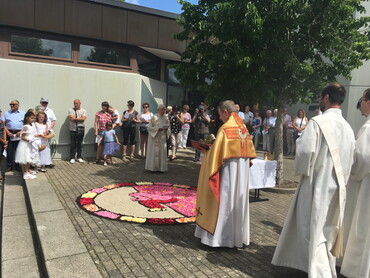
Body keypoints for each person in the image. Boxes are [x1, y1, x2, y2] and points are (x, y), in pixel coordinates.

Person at [272, 83, 355, 277]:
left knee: (312, 227)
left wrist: (302, 169)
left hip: (317, 183)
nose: (319, 100)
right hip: (338, 186)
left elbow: (306, 151)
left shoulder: (318, 122)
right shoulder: (348, 128)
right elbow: (351, 158)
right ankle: (323, 265)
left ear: (326, 98)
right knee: (328, 228)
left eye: (320, 96)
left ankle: (319, 271)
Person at [194, 100, 256, 248]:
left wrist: (205, 151)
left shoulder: (225, 128)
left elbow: (215, 156)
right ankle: (236, 236)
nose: (220, 117)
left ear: (226, 112)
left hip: (227, 173)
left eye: (220, 114)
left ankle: (221, 238)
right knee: (237, 201)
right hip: (240, 175)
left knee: (226, 200)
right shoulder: (244, 128)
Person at [340, 89, 370, 278]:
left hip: (366, 185)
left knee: (362, 227)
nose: (361, 105)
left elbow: (362, 158)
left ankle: (359, 269)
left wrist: (353, 173)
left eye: (362, 100)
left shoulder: (368, 128)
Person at [14, 112, 42, 180]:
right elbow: (23, 137)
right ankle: (26, 173)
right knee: (26, 159)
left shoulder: (31, 125)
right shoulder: (26, 126)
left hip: (30, 144)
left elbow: (31, 135)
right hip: (26, 144)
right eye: (31, 118)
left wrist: (36, 136)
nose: (33, 120)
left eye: (34, 118)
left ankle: (28, 171)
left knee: (29, 158)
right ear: (27, 118)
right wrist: (30, 140)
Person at [145, 104, 170, 172]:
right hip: (155, 137)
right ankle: (152, 168)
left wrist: (166, 128)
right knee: (154, 152)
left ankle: (161, 168)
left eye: (164, 109)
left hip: (162, 138)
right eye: (162, 109)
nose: (163, 111)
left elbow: (169, 126)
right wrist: (157, 129)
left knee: (162, 152)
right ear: (158, 110)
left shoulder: (166, 117)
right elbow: (149, 127)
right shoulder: (154, 117)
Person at [2, 100, 25, 172]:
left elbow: (26, 125)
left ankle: (17, 165)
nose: (12, 106)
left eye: (14, 104)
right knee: (9, 151)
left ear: (18, 105)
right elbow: (3, 124)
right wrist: (8, 132)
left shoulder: (23, 113)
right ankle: (9, 166)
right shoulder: (6, 113)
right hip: (10, 134)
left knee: (19, 151)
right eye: (10, 104)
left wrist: (21, 132)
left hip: (19, 134)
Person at [69, 99, 86, 163]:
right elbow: (71, 118)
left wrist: (75, 119)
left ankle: (79, 156)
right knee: (73, 143)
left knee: (80, 143)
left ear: (80, 103)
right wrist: (79, 118)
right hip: (73, 129)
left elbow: (83, 119)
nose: (75, 105)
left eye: (76, 103)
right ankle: (72, 157)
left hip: (80, 129)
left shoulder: (83, 111)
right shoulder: (71, 110)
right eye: (74, 103)